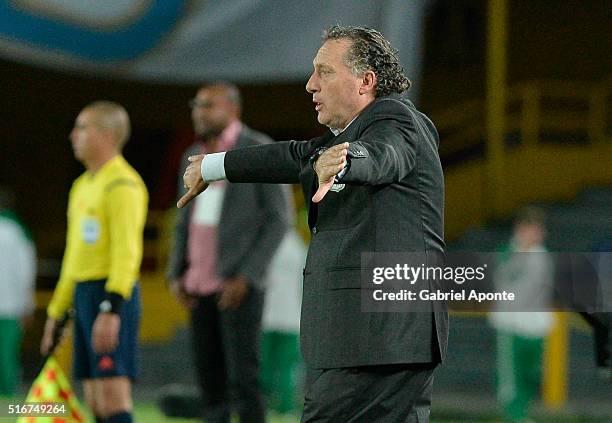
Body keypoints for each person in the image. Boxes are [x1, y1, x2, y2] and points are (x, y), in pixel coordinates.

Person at [179, 26, 447, 422]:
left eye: (325, 72)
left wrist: (345, 162)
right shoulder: (343, 137)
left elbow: (381, 156)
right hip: (378, 338)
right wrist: (213, 165)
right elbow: (291, 156)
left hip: (377, 336)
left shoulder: (396, 119)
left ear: (365, 81)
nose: (310, 85)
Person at [167, 83, 289, 423]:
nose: (199, 112)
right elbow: (183, 219)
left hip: (238, 286)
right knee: (210, 385)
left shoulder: (256, 149)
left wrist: (248, 275)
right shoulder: (191, 155)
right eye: (196, 105)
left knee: (245, 382)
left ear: (233, 109)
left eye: (208, 105)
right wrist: (176, 272)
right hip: (198, 284)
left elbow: (279, 221)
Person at [40, 101, 148, 423]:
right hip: (83, 293)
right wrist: (56, 312)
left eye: (82, 127)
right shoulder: (82, 186)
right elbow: (74, 256)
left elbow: (127, 252)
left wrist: (111, 307)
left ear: (106, 135)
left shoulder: (123, 185)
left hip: (110, 294)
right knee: (94, 400)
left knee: (113, 397)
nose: (74, 135)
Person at [489, 207, 554, 423]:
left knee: (532, 374)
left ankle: (523, 412)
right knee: (511, 378)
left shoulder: (543, 255)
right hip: (512, 324)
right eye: (532, 229)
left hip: (535, 324)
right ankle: (514, 415)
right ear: (521, 229)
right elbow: (503, 278)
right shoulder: (507, 252)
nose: (537, 234)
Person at [0, 188, 36, 396]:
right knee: (7, 357)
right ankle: (7, 405)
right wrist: (27, 304)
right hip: (10, 305)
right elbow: (26, 270)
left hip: (9, 305)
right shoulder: (18, 232)